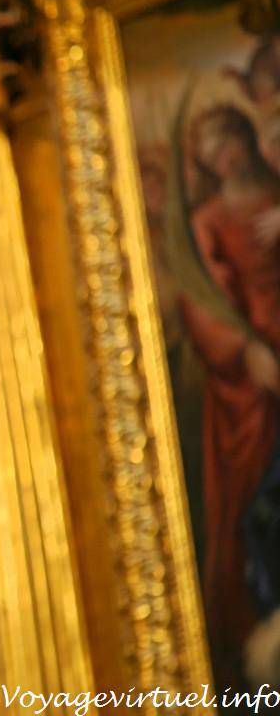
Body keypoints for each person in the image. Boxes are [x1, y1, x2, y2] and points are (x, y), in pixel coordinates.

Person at [180, 104, 280, 690]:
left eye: (231, 142)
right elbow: (203, 302)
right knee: (261, 498)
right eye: (213, 151)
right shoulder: (209, 220)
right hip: (255, 380)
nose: (227, 157)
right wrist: (246, 351)